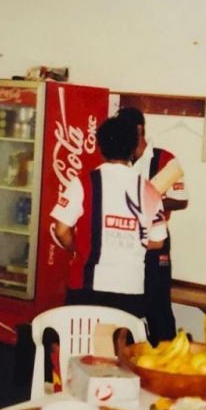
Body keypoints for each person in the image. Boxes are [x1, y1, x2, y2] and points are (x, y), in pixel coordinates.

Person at [51, 116, 167, 320]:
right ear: (133, 148)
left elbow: (60, 230)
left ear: (100, 146)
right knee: (119, 350)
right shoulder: (149, 190)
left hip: (87, 286)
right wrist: (130, 241)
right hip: (130, 289)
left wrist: (78, 248)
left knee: (82, 349)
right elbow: (158, 241)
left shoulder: (84, 183)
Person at [116, 107, 188, 345]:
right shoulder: (119, 160)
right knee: (126, 308)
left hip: (156, 244)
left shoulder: (165, 159)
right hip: (125, 242)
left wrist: (148, 200)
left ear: (139, 130)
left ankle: (166, 362)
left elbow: (181, 200)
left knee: (158, 309)